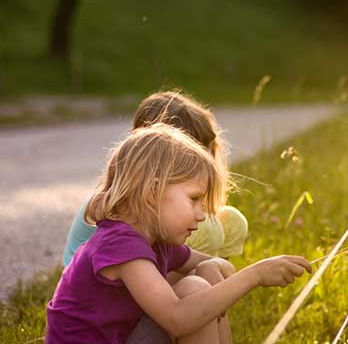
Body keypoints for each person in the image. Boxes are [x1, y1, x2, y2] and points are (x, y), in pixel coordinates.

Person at [44, 124, 311, 344]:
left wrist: (213, 267)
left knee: (201, 282)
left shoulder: (153, 238)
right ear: (152, 192)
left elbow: (218, 266)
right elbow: (177, 318)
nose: (201, 215)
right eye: (195, 199)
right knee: (193, 292)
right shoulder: (120, 245)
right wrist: (253, 276)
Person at [63, 89, 248, 268]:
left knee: (230, 220)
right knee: (208, 229)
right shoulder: (122, 204)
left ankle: (210, 290)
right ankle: (191, 294)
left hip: (146, 272)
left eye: (207, 149)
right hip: (108, 283)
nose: (206, 160)